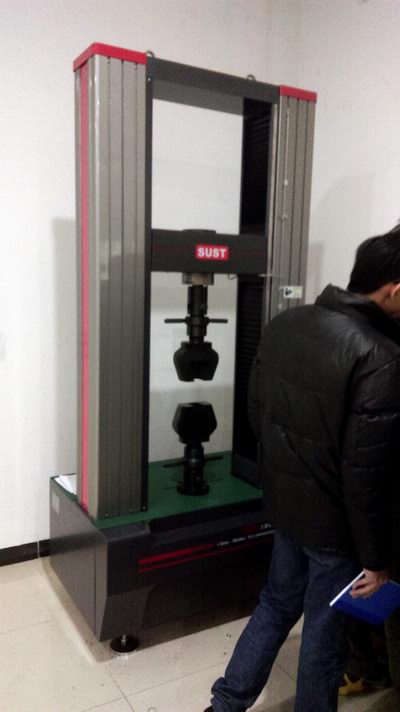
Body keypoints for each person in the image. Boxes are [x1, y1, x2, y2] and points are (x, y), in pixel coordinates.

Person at [204, 224, 400, 712]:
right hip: (336, 529)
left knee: (275, 602)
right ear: (395, 290)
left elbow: (258, 414)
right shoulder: (380, 357)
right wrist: (377, 560)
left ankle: (225, 705)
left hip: (287, 507)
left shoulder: (286, 323)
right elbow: (367, 474)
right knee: (323, 633)